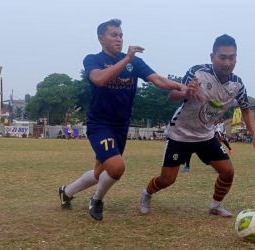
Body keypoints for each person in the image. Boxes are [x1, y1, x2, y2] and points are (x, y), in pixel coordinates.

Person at [58, 19, 187, 221]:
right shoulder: (93, 59)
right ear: (101, 38)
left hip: (121, 125)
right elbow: (99, 79)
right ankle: (97, 200)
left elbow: (158, 79)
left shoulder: (134, 63)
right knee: (116, 168)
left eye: (120, 35)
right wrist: (126, 59)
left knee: (101, 171)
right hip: (99, 124)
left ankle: (66, 191)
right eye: (114, 35)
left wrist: (181, 87)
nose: (119, 39)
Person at [139, 34, 255, 217]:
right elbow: (172, 96)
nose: (227, 62)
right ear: (212, 57)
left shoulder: (238, 85)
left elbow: (247, 110)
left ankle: (215, 205)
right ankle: (146, 193)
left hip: (205, 135)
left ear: (236, 59)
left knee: (227, 172)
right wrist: (186, 92)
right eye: (222, 57)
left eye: (231, 57)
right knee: (167, 179)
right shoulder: (197, 72)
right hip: (180, 134)